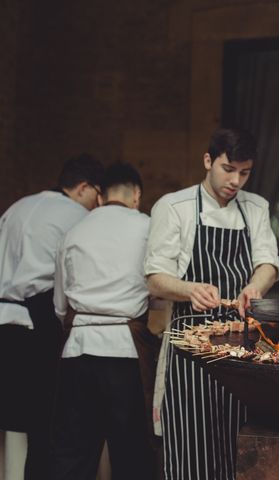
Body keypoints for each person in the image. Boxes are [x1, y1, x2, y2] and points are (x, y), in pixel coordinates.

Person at [145, 127, 279, 479]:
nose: (236, 180)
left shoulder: (256, 208)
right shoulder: (174, 207)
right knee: (191, 449)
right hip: (190, 349)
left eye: (245, 172)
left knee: (241, 448)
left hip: (242, 344)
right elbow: (155, 277)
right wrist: (189, 289)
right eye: (228, 169)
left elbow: (268, 263)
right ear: (208, 160)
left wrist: (254, 286)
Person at [51, 163, 158, 479]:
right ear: (136, 194)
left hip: (77, 352)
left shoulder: (75, 231)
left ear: (100, 196)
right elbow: (158, 288)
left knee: (71, 453)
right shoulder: (148, 226)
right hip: (125, 354)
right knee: (131, 454)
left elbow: (60, 305)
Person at [0, 154, 104, 479]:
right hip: (39, 320)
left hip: (3, 318)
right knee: (45, 423)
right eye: (96, 196)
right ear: (84, 187)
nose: (97, 205)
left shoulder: (16, 207)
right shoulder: (76, 215)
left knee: (10, 423)